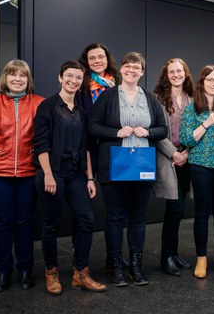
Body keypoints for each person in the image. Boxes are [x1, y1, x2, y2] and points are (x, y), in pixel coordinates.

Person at [89, 52, 167, 287]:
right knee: (114, 217)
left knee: (137, 218)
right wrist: (115, 132)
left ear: (142, 72)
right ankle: (116, 267)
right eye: (128, 66)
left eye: (137, 67)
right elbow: (92, 127)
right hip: (115, 165)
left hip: (142, 165)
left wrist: (148, 132)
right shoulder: (108, 96)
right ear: (121, 69)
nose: (132, 70)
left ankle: (135, 265)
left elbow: (162, 129)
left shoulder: (151, 99)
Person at [33, 60, 107, 295]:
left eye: (78, 77)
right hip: (52, 173)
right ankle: (51, 272)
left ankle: (80, 273)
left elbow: (86, 147)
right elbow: (40, 145)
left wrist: (89, 178)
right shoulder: (47, 106)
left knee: (86, 220)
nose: (73, 81)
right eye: (69, 76)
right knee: (51, 225)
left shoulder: (82, 112)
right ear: (60, 77)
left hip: (76, 175)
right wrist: (47, 175)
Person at [0, 60, 44, 292]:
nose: (17, 79)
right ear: (5, 78)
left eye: (22, 75)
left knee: (24, 223)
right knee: (2, 223)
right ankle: (3, 271)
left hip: (28, 171)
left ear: (28, 79)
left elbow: (44, 139)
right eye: (12, 74)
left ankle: (24, 269)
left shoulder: (38, 103)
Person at [179, 65, 214, 279]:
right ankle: (201, 258)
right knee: (202, 213)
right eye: (209, 79)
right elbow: (185, 139)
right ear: (201, 82)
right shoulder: (192, 108)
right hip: (200, 165)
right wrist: (206, 123)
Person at [76, 42, 128, 270]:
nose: (97, 61)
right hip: (85, 148)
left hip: (113, 148)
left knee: (116, 209)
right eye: (92, 58)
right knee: (82, 210)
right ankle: (80, 263)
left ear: (108, 59)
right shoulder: (80, 86)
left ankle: (113, 257)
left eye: (101, 57)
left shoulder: (119, 84)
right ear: (86, 62)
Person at [153, 58, 193, 276]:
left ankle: (174, 252)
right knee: (174, 208)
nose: (176, 74)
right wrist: (174, 154)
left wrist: (186, 152)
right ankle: (166, 256)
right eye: (172, 72)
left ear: (185, 73)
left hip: (187, 158)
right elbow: (156, 131)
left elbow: (197, 128)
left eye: (180, 71)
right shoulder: (158, 99)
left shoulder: (192, 98)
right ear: (166, 75)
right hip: (168, 158)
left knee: (179, 209)